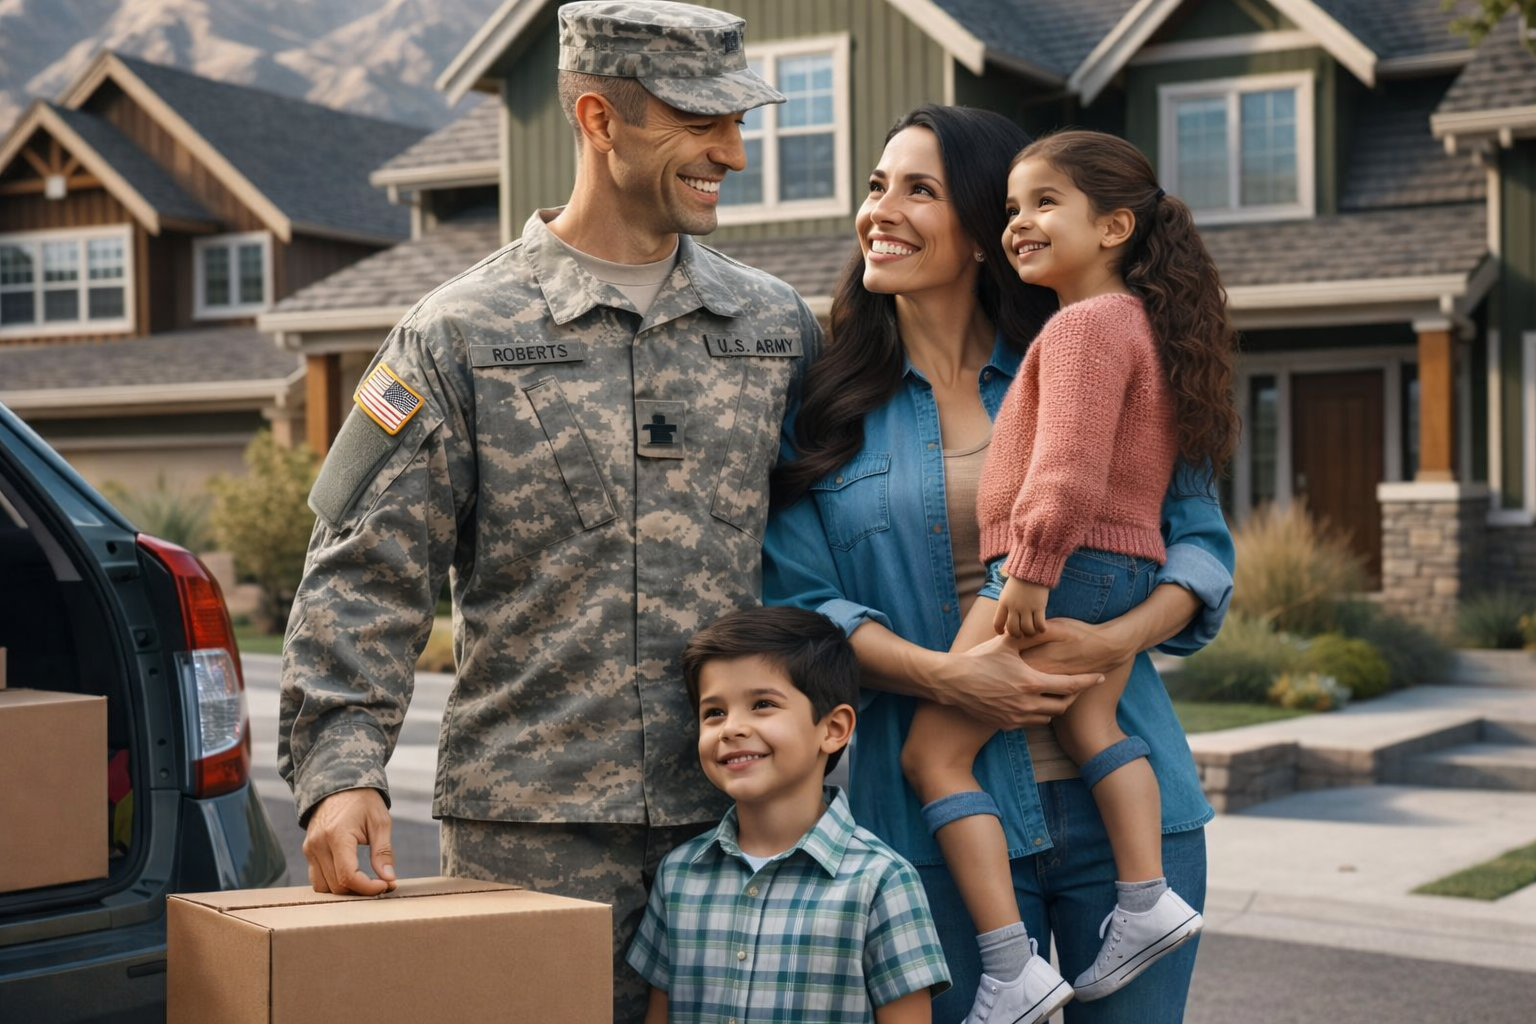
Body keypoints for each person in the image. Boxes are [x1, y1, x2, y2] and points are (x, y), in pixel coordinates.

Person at [277, 4, 819, 1021]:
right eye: (701, 120)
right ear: (599, 119)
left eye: (740, 121)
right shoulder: (455, 335)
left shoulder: (776, 328)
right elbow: (362, 571)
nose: (733, 152)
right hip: (529, 835)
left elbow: (837, 547)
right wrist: (341, 771)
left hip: (744, 827)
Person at [763, 104, 1234, 1024]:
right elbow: (801, 605)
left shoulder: (1082, 349)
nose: (881, 210)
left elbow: (1200, 540)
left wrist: (1117, 639)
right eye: (875, 186)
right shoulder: (824, 412)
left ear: (985, 228)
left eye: (920, 190)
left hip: (1125, 824)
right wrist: (948, 676)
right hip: (932, 841)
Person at [898, 128, 1239, 1021]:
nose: (1020, 224)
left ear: (1116, 224)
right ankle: (1144, 900)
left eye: (1044, 204)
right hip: (1116, 562)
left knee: (934, 753)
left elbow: (1072, 471)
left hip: (1058, 567)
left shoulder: (1083, 327)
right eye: (1011, 208)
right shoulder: (1137, 324)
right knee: (1092, 721)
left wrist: (1031, 572)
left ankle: (1011, 969)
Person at [627, 606, 951, 1023]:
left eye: (762, 704)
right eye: (714, 712)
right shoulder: (678, 874)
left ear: (833, 729)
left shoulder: (882, 881)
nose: (731, 729)